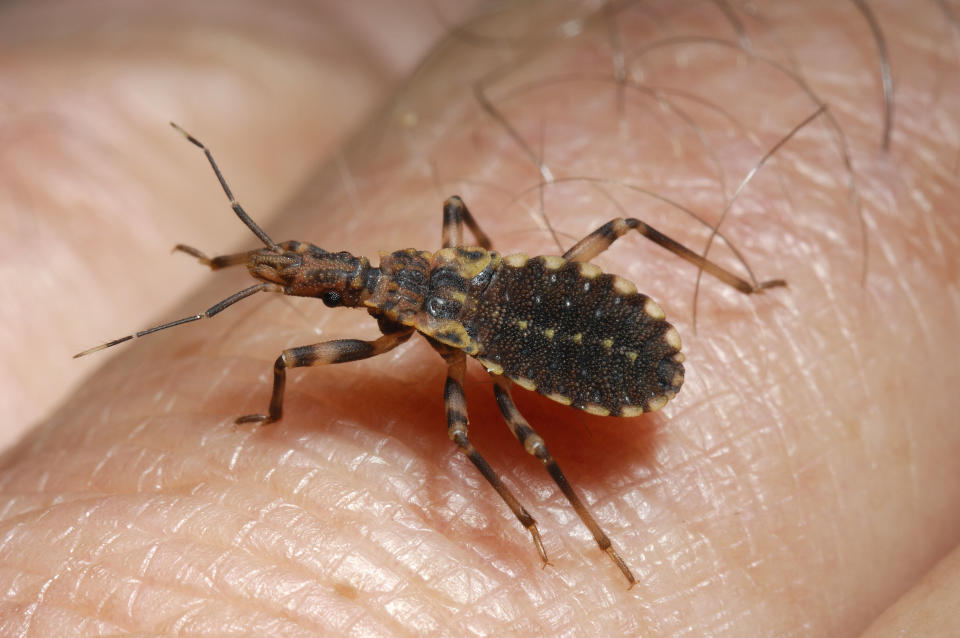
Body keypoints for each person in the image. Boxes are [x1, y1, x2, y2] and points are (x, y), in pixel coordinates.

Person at [1, 1, 957, 635]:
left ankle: (603, 538)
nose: (335, 287)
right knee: (588, 260)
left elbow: (428, 397)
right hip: (515, 302)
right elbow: (305, 262)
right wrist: (230, 262)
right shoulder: (413, 268)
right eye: (338, 286)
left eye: (342, 287)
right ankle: (725, 318)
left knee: (492, 442)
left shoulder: (411, 325)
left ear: (374, 299)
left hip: (536, 335)